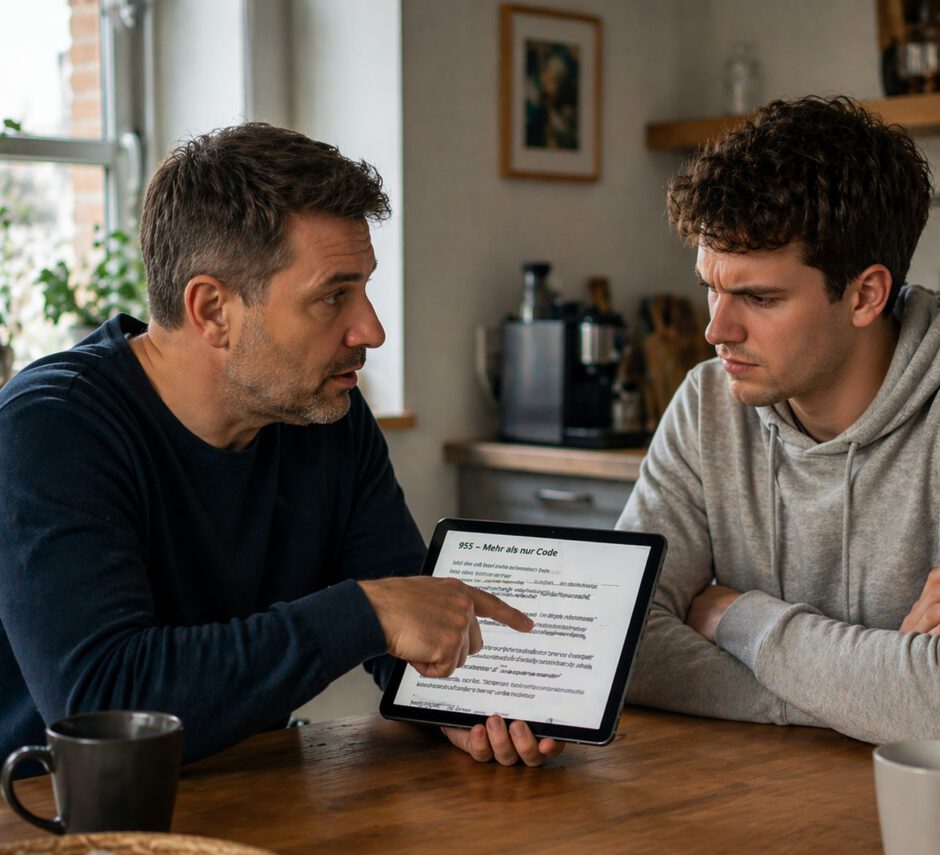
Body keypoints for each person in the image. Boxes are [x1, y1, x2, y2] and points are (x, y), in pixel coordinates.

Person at [0, 123, 563, 768]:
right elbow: (101, 705)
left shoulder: (326, 416)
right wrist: (365, 613)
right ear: (213, 310)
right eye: (333, 296)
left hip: (257, 794)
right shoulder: (54, 427)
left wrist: (459, 709)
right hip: (51, 822)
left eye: (364, 288)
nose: (371, 330)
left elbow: (406, 620)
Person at [618, 96, 940, 752]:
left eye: (758, 297)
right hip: (743, 811)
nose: (715, 329)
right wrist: (891, 686)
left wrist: (734, 617)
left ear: (865, 294)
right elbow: (620, 647)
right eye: (710, 288)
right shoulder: (707, 404)